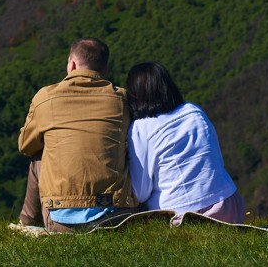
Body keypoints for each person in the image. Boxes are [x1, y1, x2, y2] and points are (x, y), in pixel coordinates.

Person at [17, 37, 138, 233]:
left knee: (38, 157)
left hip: (61, 221)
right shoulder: (122, 99)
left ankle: (26, 224)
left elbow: (25, 146)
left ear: (71, 64)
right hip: (117, 217)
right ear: (104, 69)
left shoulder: (46, 97)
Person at [126, 61, 245, 224]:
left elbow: (140, 192)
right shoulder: (193, 111)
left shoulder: (141, 128)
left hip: (184, 215)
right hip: (229, 206)